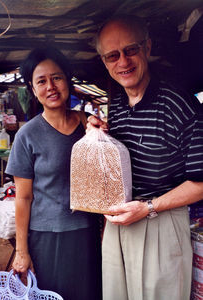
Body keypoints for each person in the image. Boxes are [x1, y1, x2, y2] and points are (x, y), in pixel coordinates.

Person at [87, 15, 203, 300]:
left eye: (131, 50)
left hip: (160, 221)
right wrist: (101, 134)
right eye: (113, 55)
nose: (123, 62)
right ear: (105, 61)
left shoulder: (179, 103)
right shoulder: (116, 104)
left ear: (147, 48)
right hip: (120, 222)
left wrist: (149, 207)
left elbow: (201, 182)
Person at [5, 47, 102, 300]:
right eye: (41, 81)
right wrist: (22, 251)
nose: (51, 86)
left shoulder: (87, 125)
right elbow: (23, 198)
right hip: (47, 238)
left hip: (87, 231)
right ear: (33, 88)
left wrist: (95, 124)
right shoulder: (27, 135)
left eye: (57, 78)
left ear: (67, 80)